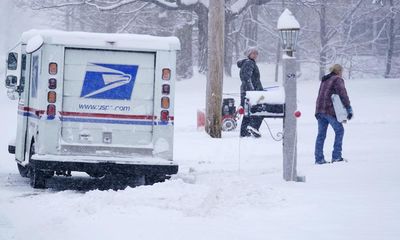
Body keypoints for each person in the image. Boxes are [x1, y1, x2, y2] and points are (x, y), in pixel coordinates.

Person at [314, 64, 353, 164]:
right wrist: (348, 108)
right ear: (339, 71)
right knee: (339, 131)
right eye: (341, 72)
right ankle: (336, 157)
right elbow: (343, 94)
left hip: (319, 110)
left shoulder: (325, 79)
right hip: (329, 110)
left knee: (321, 135)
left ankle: (319, 159)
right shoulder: (337, 79)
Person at [237, 48, 264, 138]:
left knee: (248, 112)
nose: (255, 55)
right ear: (248, 54)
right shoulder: (249, 63)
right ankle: (253, 127)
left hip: (249, 92)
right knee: (259, 109)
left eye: (256, 53)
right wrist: (252, 92)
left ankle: (245, 132)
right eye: (253, 53)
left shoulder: (249, 63)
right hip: (250, 93)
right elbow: (246, 79)